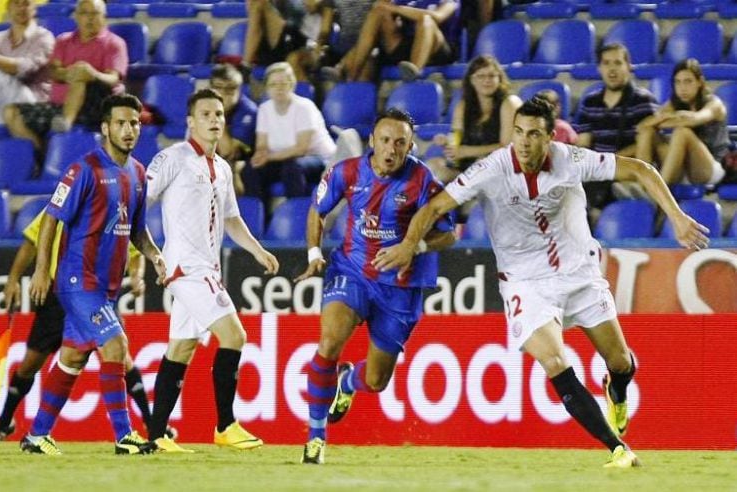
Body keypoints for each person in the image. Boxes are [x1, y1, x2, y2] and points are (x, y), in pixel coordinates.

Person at [372, 98, 710, 468]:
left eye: (534, 134)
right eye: (518, 132)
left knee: (620, 361)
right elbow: (434, 207)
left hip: (579, 274)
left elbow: (642, 170)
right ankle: (617, 449)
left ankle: (617, 385)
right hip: (524, 282)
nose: (524, 142)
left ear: (550, 137)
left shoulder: (571, 159)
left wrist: (677, 217)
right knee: (554, 360)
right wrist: (408, 246)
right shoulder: (492, 168)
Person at [295, 108, 456, 464]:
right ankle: (316, 437)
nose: (391, 149)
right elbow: (317, 209)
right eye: (385, 140)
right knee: (330, 340)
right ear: (372, 141)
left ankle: (348, 382)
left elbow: (449, 234)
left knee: (377, 380)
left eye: (400, 142)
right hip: (352, 270)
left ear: (411, 145)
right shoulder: (348, 172)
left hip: (400, 286)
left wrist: (416, 246)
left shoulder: (423, 181)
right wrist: (313, 253)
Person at [20, 93, 166, 455]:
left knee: (72, 358)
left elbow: (136, 231)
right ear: (105, 128)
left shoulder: (137, 173)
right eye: (120, 123)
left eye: (134, 123)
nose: (129, 129)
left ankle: (37, 435)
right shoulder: (83, 169)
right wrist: (42, 271)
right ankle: (124, 436)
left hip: (106, 288)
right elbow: (52, 217)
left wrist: (155, 255)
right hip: (76, 281)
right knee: (116, 346)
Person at [145, 88, 279, 453]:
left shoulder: (221, 168)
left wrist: (257, 250)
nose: (214, 120)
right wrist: (145, 250)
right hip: (186, 268)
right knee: (234, 336)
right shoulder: (171, 158)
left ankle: (155, 436)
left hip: (207, 268)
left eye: (219, 114)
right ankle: (225, 424)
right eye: (206, 114)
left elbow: (232, 220)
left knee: (182, 348)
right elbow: (140, 200)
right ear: (190, 121)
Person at [0, 210, 175, 442]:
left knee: (120, 355)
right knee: (30, 364)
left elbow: (133, 247)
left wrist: (136, 275)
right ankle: (5, 424)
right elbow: (33, 241)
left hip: (98, 295)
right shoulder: (62, 205)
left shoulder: (114, 204)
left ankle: (148, 426)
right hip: (58, 295)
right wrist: (14, 280)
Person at [4, 0, 128, 149]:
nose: (89, 18)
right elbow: (53, 72)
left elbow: (113, 79)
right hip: (60, 105)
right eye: (84, 13)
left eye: (94, 13)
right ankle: (40, 158)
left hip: (98, 107)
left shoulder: (114, 43)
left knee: (81, 72)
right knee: (11, 113)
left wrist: (91, 74)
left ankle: (66, 122)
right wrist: (71, 73)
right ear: (76, 16)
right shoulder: (63, 41)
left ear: (104, 16)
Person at [572, 43, 657, 210]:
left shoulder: (643, 100)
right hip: (597, 169)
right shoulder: (590, 101)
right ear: (599, 68)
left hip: (629, 167)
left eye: (618, 63)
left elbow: (648, 142)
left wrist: (608, 162)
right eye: (606, 63)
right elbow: (583, 143)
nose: (612, 69)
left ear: (628, 67)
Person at [242, 62, 336, 206]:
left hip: (318, 159)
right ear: (267, 88)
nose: (278, 88)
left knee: (292, 168)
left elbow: (301, 148)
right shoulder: (264, 109)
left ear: (292, 85)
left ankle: (299, 215)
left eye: (283, 83)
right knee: (251, 169)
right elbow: (262, 145)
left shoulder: (304, 107)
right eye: (273, 84)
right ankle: (260, 219)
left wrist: (268, 157)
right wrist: (260, 155)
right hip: (284, 159)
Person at [426, 55, 522, 184]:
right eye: (481, 76)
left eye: (492, 76)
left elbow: (508, 148)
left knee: (482, 164)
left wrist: (467, 151)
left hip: (500, 166)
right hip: (467, 168)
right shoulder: (463, 105)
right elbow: (456, 140)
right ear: (472, 80)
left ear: (500, 79)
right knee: (431, 166)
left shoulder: (509, 103)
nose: (487, 80)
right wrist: (446, 142)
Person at [635, 58, 728, 187]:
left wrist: (666, 120)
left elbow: (695, 119)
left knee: (682, 132)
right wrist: (669, 116)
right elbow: (642, 126)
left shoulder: (714, 103)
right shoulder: (674, 104)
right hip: (684, 167)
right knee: (647, 132)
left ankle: (658, 193)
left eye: (688, 81)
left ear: (700, 82)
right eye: (678, 82)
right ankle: (642, 186)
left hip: (712, 168)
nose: (682, 88)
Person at [0, 0, 54, 127]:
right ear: (8, 8)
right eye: (16, 3)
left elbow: (27, 68)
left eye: (25, 3)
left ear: (34, 9)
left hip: (30, 107)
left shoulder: (43, 37)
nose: (20, 8)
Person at [331, 0, 459, 82]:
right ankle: (352, 74)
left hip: (436, 48)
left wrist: (396, 9)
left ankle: (414, 73)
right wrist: (390, 11)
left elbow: (438, 16)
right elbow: (383, 7)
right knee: (378, 11)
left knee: (426, 20)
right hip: (406, 45)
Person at [241, 0, 331, 81]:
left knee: (259, 3)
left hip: (301, 42)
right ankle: (246, 67)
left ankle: (245, 67)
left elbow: (313, 5)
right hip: (277, 41)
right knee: (257, 3)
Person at [209, 63, 258, 196]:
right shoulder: (202, 106)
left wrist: (218, 114)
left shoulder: (248, 111)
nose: (224, 93)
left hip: (243, 164)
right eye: (219, 88)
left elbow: (228, 151)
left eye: (231, 88)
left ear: (240, 89)